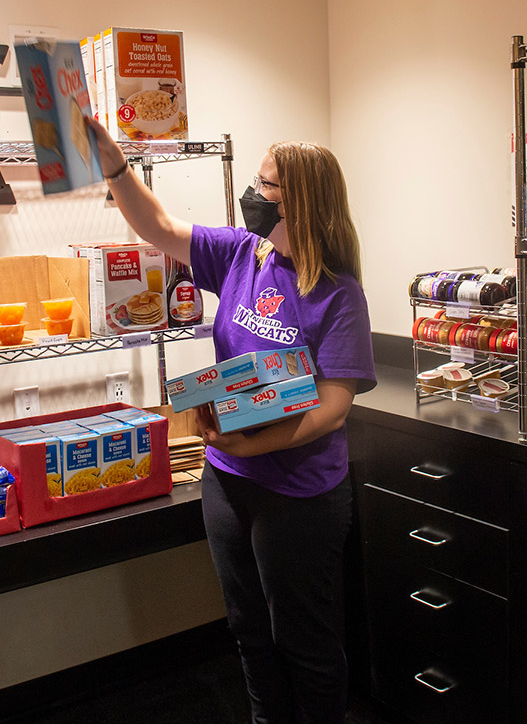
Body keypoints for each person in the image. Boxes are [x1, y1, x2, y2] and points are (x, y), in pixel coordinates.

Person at [91, 119, 376, 724]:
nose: (252, 192)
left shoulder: (338, 293)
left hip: (298, 494)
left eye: (265, 183)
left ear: (297, 200)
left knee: (305, 642)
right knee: (249, 631)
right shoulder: (241, 254)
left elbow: (332, 408)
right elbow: (158, 227)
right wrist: (116, 167)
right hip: (228, 481)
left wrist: (255, 447)